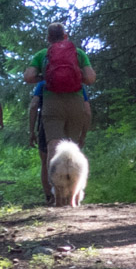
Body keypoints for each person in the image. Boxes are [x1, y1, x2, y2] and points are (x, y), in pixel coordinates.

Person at [24, 23, 97, 202]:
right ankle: (72, 194)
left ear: (48, 38)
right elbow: (90, 78)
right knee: (71, 148)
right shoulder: (78, 53)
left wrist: (44, 76)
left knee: (54, 148)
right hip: (75, 101)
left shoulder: (43, 55)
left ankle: (55, 196)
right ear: (66, 36)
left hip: (52, 102)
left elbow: (28, 77)